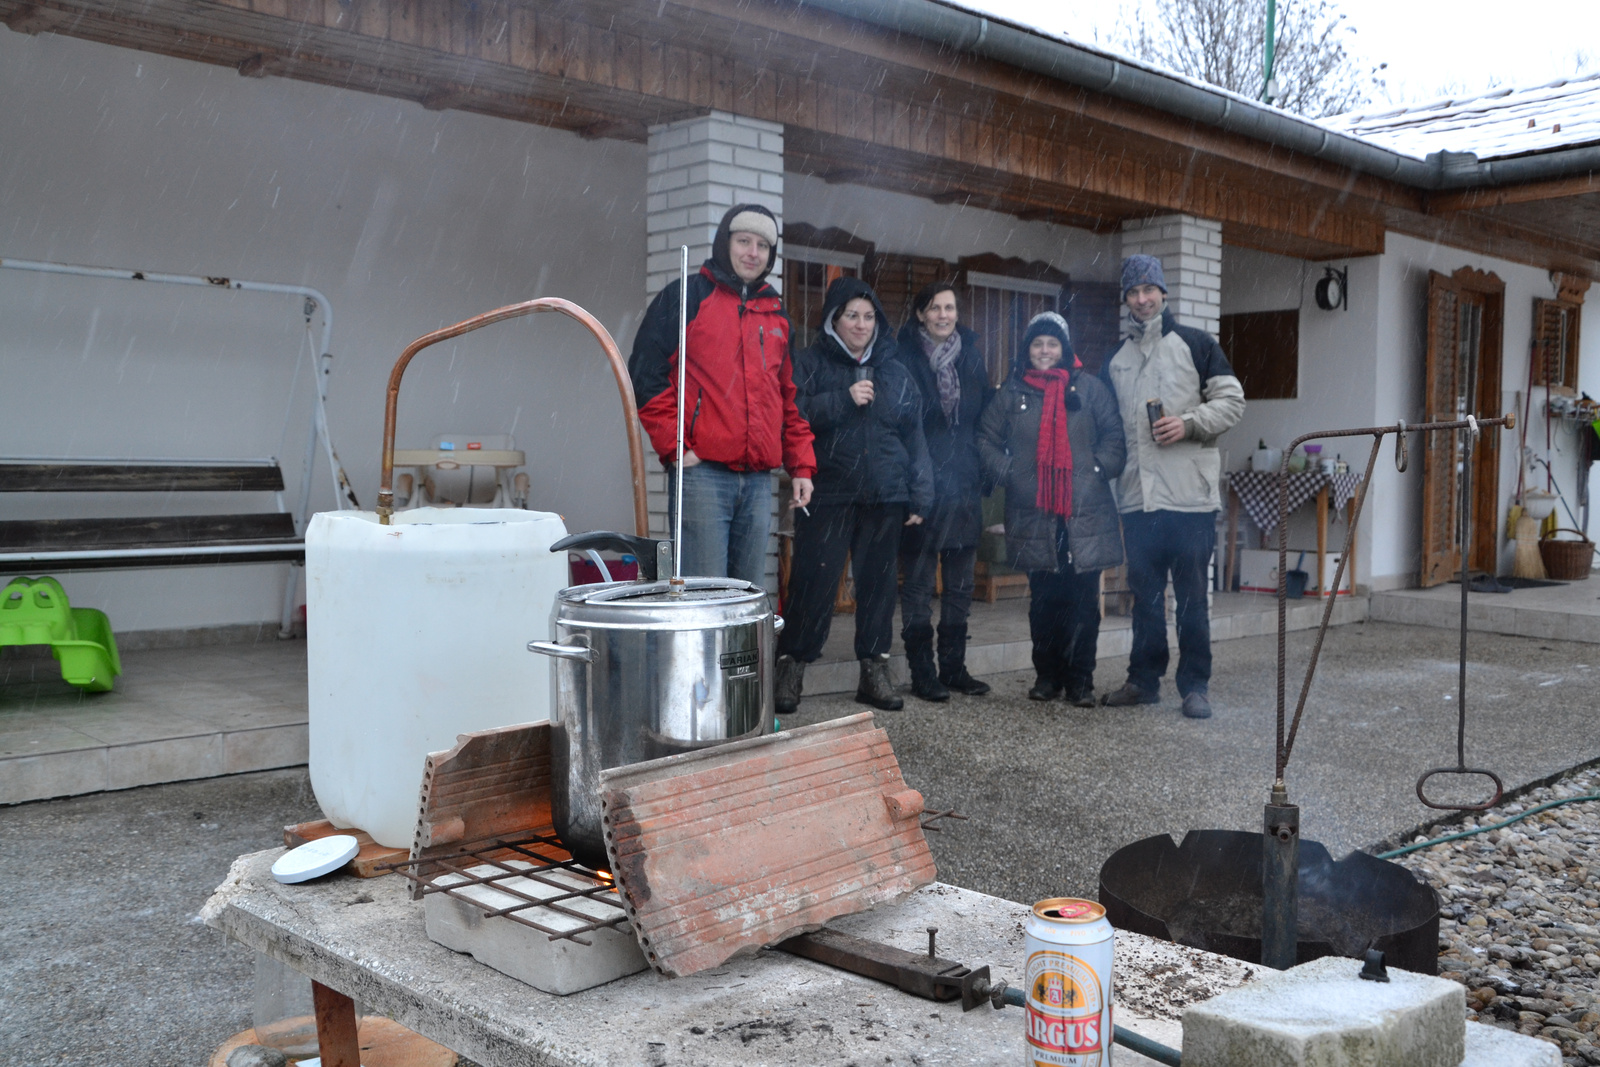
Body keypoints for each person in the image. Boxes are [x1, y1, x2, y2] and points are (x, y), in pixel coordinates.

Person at [627, 204, 815, 585]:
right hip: (703, 476)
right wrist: (676, 445)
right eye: (744, 240)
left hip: (761, 482)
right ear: (724, 243)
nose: (753, 252)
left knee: (747, 595)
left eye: (763, 245)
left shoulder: (776, 315)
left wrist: (801, 466)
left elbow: (790, 399)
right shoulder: (687, 296)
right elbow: (646, 375)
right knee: (704, 592)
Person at [776, 277, 933, 714]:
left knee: (879, 585)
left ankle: (874, 670)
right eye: (851, 316)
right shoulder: (808, 363)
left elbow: (915, 435)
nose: (861, 324)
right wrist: (842, 399)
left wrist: (920, 494)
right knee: (813, 581)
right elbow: (793, 417)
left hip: (885, 494)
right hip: (828, 490)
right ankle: (792, 665)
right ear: (833, 320)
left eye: (868, 317)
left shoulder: (895, 371)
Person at [1099, 255, 1245, 719]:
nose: (1142, 299)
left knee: (1190, 598)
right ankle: (1143, 681)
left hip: (1189, 499)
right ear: (1126, 300)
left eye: (1149, 289)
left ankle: (1194, 685)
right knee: (1143, 598)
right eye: (1133, 292)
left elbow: (1232, 400)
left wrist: (1189, 424)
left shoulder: (1195, 344)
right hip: (1138, 502)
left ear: (1164, 294)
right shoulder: (1117, 360)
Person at [978, 312, 1125, 706]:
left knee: (1082, 603)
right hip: (1034, 511)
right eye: (1037, 344)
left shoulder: (1090, 390)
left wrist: (1096, 470)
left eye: (1052, 344)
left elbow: (1114, 438)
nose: (1045, 351)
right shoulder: (1012, 393)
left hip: (1083, 511)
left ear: (1065, 349)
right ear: (1028, 350)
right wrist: (1012, 473)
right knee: (1044, 602)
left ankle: (1081, 681)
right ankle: (1047, 676)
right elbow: (985, 440)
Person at [892, 282, 994, 702]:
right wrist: (913, 483)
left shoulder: (970, 354)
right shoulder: (901, 357)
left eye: (949, 307)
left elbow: (984, 415)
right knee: (917, 587)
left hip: (964, 484)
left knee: (959, 587)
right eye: (934, 307)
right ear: (920, 313)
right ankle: (923, 672)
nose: (943, 315)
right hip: (922, 485)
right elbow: (899, 426)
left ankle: (954, 667)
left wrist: (982, 469)